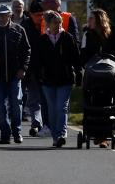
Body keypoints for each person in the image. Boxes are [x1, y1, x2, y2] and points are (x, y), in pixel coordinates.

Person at [34, 10, 81, 148]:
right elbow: (37, 61)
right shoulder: (42, 40)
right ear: (48, 24)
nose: (58, 25)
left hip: (65, 79)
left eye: (60, 22)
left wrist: (78, 74)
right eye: (55, 22)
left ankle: (61, 134)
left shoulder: (67, 38)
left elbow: (76, 58)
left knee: (61, 107)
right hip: (48, 80)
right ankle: (55, 137)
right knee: (52, 109)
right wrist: (39, 76)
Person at [0, 3, 31, 145]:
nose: (2, 17)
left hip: (14, 75)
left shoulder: (19, 30)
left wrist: (23, 68)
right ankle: (5, 133)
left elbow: (27, 51)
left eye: (4, 14)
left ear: (10, 15)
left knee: (16, 103)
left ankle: (16, 131)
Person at [22, 0, 47, 137]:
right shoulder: (25, 26)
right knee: (33, 98)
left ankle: (43, 123)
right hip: (29, 68)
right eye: (37, 15)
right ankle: (36, 123)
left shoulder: (47, 25)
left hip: (44, 68)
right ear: (30, 14)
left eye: (42, 14)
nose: (40, 18)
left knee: (44, 98)